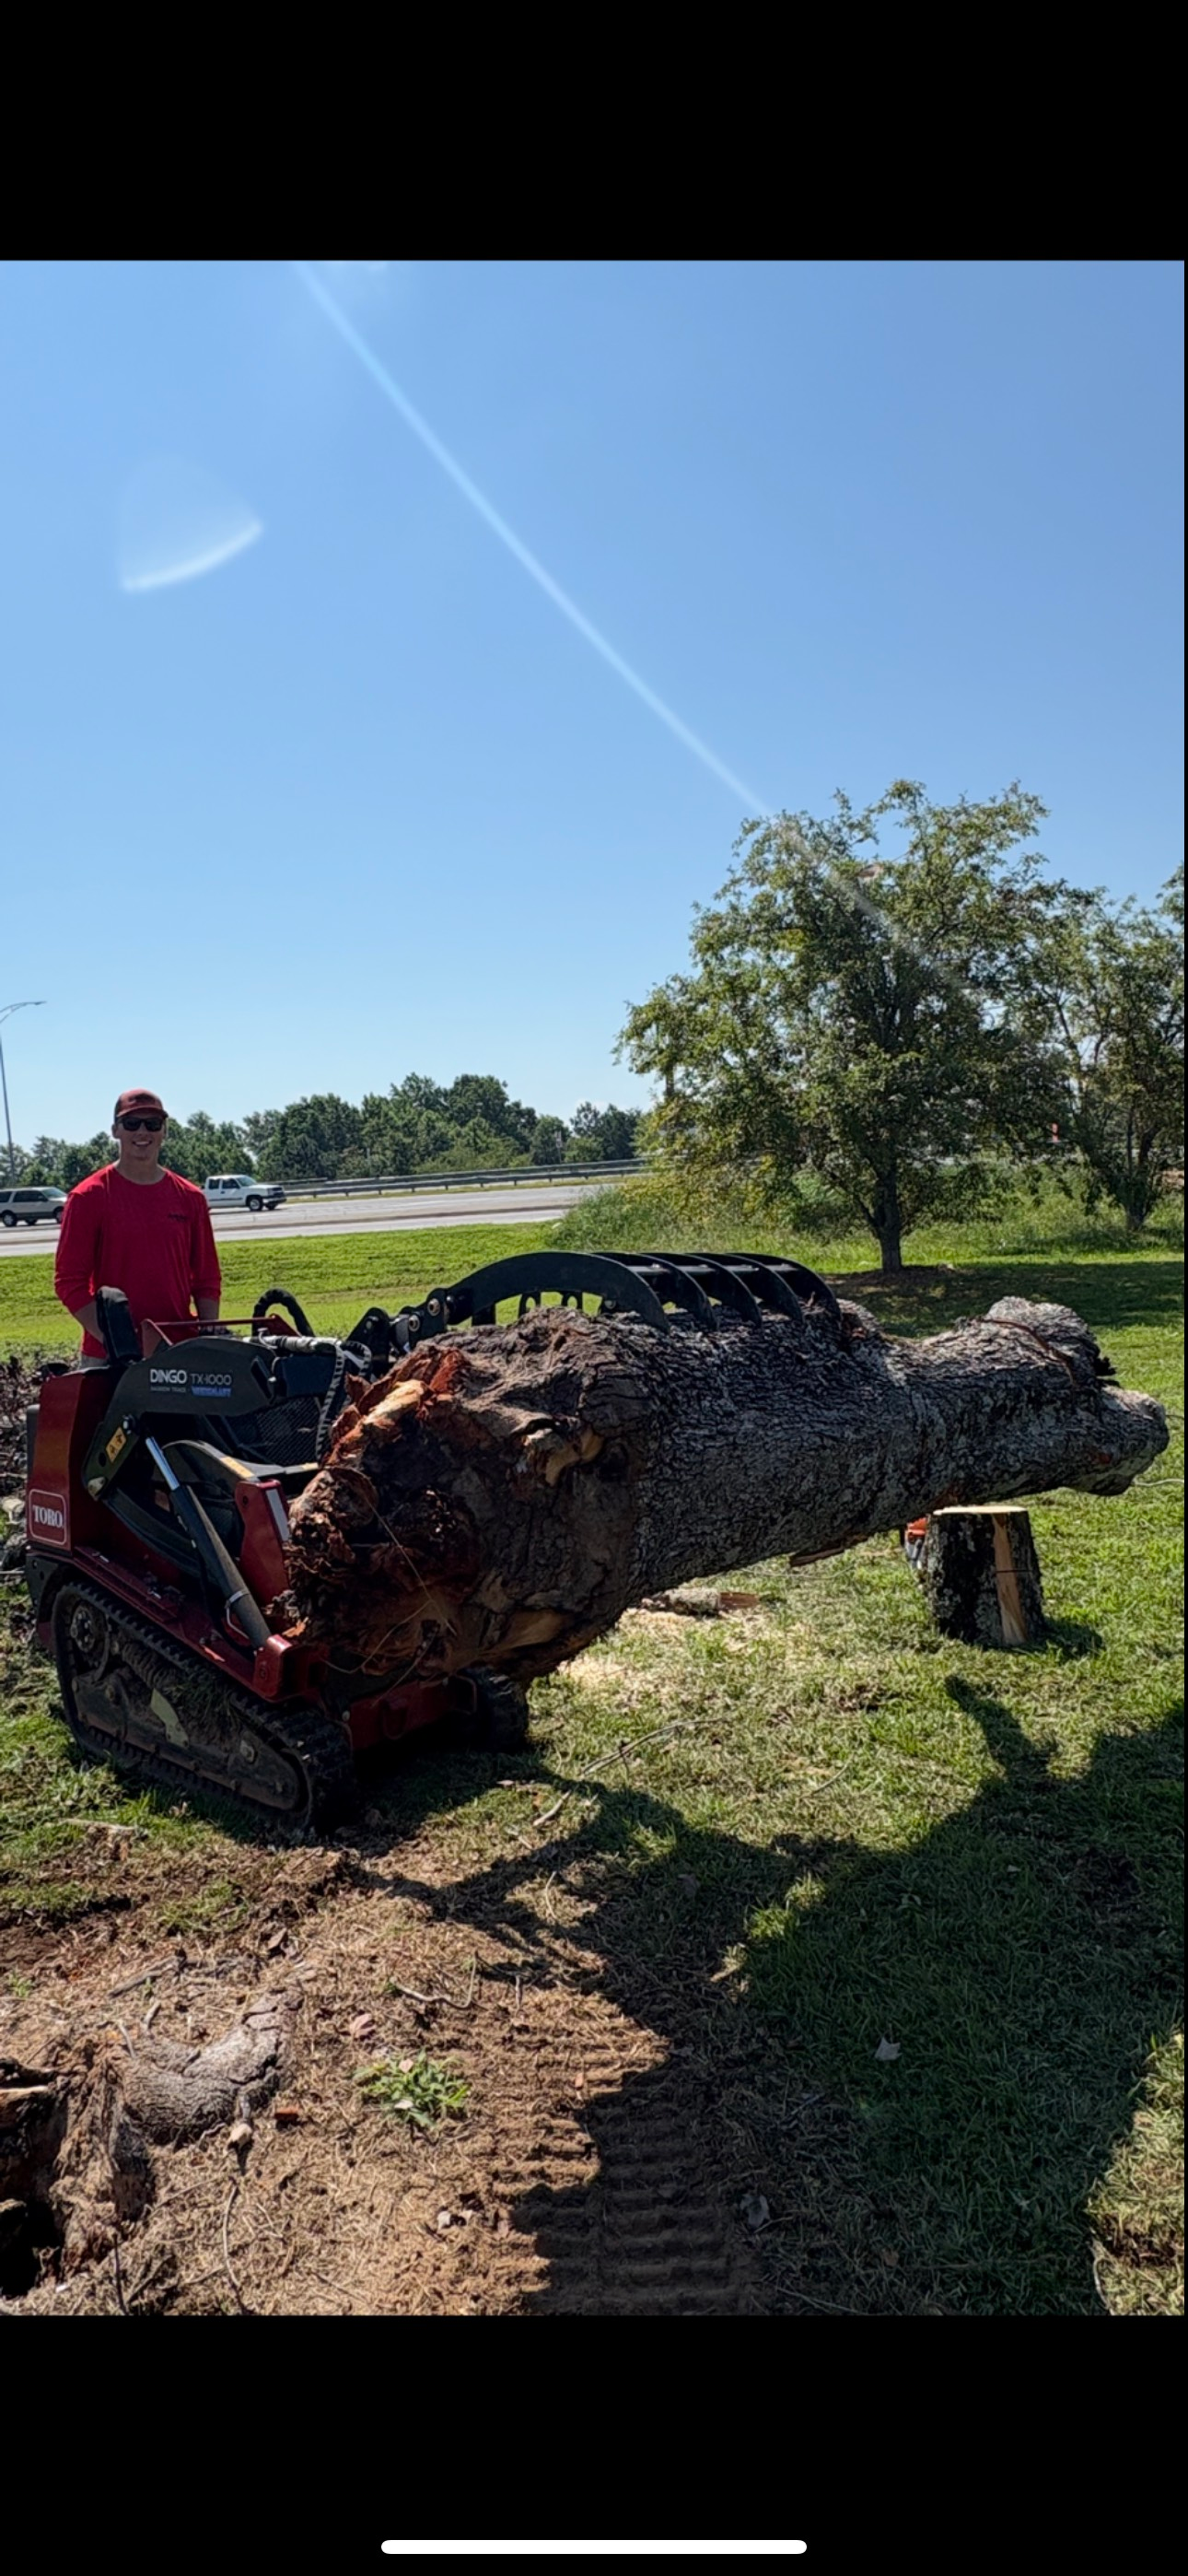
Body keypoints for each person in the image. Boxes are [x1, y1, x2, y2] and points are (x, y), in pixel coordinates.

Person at [54, 1088, 222, 1364]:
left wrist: (208, 1337)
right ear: (115, 1130)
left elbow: (206, 1278)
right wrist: (117, 1341)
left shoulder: (191, 1197)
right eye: (132, 1124)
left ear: (164, 1131)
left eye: (152, 1124)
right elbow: (69, 1283)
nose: (142, 1132)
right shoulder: (88, 1197)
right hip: (109, 1357)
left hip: (178, 1349)